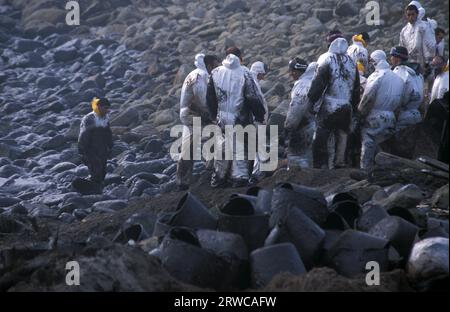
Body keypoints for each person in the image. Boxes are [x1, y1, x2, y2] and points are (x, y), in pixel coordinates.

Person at [207, 47, 266, 188]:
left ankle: (218, 178)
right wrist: (259, 115)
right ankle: (239, 178)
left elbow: (210, 97)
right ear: (240, 58)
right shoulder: (244, 73)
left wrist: (213, 115)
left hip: (222, 116)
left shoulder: (215, 72)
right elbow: (252, 97)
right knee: (240, 148)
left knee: (222, 147)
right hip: (240, 117)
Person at [308, 37, 360, 169]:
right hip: (346, 105)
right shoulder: (352, 63)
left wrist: (311, 100)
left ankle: (321, 164)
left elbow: (319, 82)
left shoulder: (327, 58)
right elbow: (356, 87)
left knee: (322, 134)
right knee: (343, 134)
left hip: (330, 105)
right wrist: (354, 106)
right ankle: (340, 162)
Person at [177, 54, 220, 190]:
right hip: (194, 114)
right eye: (215, 65)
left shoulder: (193, 74)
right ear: (208, 65)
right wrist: (214, 116)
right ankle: (210, 169)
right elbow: (202, 100)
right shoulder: (200, 76)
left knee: (188, 146)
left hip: (189, 114)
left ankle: (183, 179)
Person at [357, 50, 404, 170]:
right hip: (391, 117)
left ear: (374, 62)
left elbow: (367, 99)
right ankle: (385, 171)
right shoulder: (397, 78)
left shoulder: (376, 76)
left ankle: (365, 171)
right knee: (383, 146)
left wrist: (360, 115)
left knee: (368, 143)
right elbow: (400, 102)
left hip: (375, 116)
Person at [75, 97, 113, 194]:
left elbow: (108, 132)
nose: (107, 110)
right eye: (105, 108)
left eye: (108, 108)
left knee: (103, 169)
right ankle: (93, 189)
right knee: (96, 168)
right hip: (90, 148)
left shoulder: (104, 118)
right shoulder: (90, 118)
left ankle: (98, 188)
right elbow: (84, 134)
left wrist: (110, 144)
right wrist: (82, 148)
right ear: (99, 107)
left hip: (102, 148)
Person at [284, 58, 317, 169]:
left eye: (292, 71)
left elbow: (297, 107)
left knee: (297, 157)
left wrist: (289, 127)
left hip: (303, 126)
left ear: (296, 71)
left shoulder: (302, 84)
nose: (291, 74)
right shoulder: (314, 81)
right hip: (315, 124)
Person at [390, 46, 424, 131]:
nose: (391, 58)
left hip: (403, 116)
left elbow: (398, 96)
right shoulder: (418, 74)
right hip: (416, 114)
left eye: (392, 56)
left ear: (397, 58)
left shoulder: (399, 71)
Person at [399, 2, 436, 71]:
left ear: (417, 14)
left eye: (413, 14)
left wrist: (428, 63)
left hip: (424, 64)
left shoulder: (424, 27)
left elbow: (430, 45)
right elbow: (402, 47)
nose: (411, 17)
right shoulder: (404, 30)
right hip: (410, 65)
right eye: (408, 15)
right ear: (406, 15)